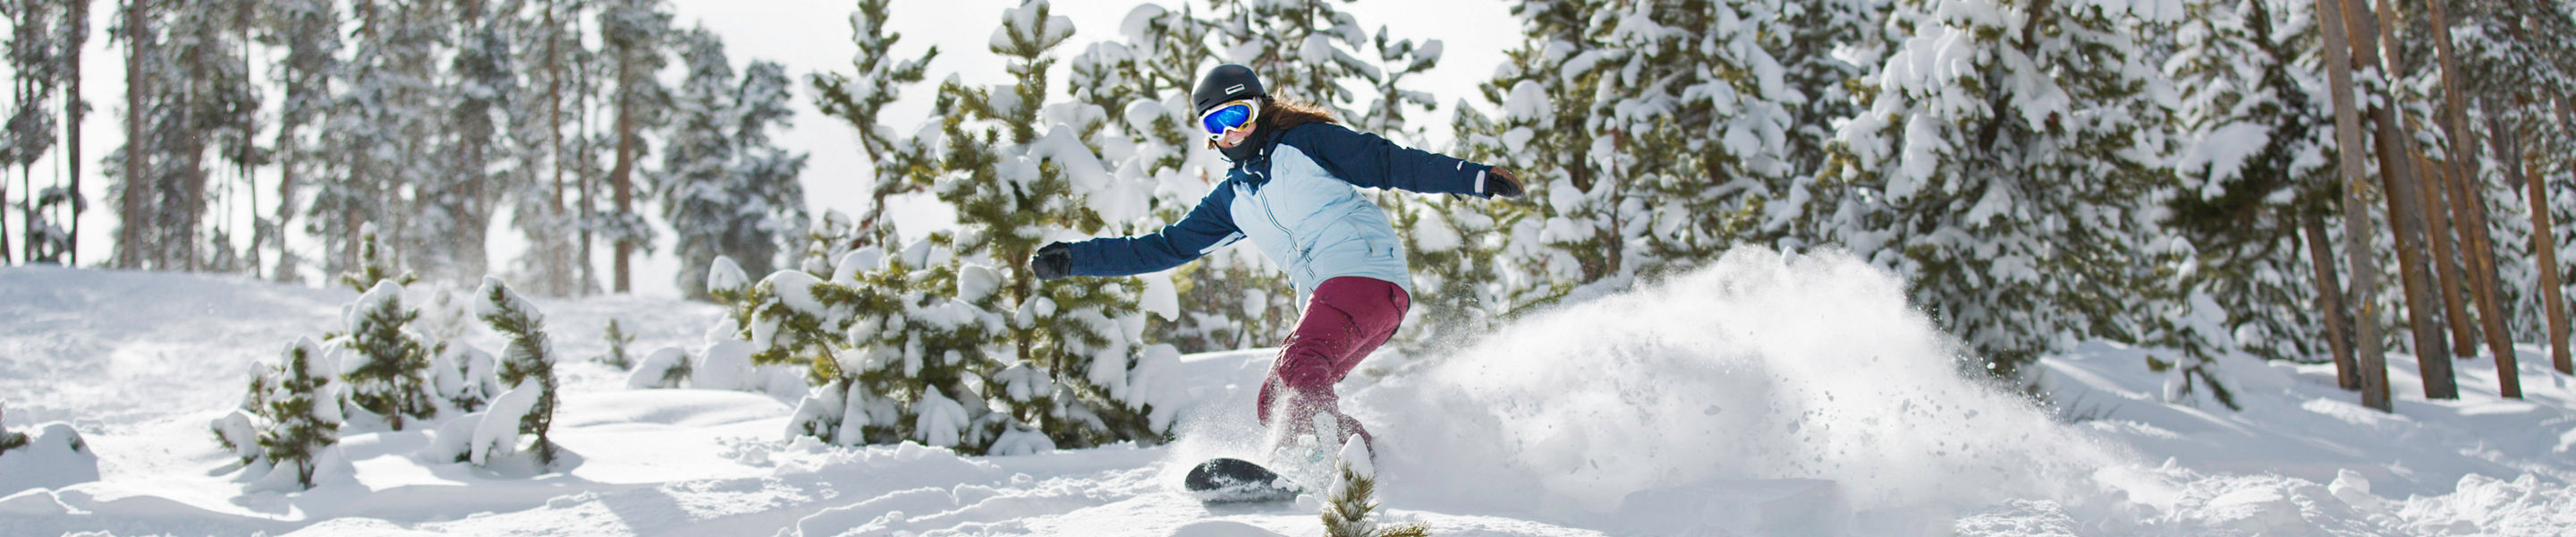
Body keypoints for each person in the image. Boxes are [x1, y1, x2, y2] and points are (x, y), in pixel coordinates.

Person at [1028, 64, 1522, 465]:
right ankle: (1367, 460)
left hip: (1364, 275)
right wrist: (1077, 259)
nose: (1232, 131)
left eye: (1239, 114)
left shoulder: (1307, 144)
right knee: (1276, 399)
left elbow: (1392, 162)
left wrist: (1475, 179)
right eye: (1216, 124)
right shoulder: (1233, 199)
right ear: (1208, 136)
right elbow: (1162, 248)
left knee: (1300, 365)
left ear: (1261, 108)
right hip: (1338, 301)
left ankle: (1303, 463)